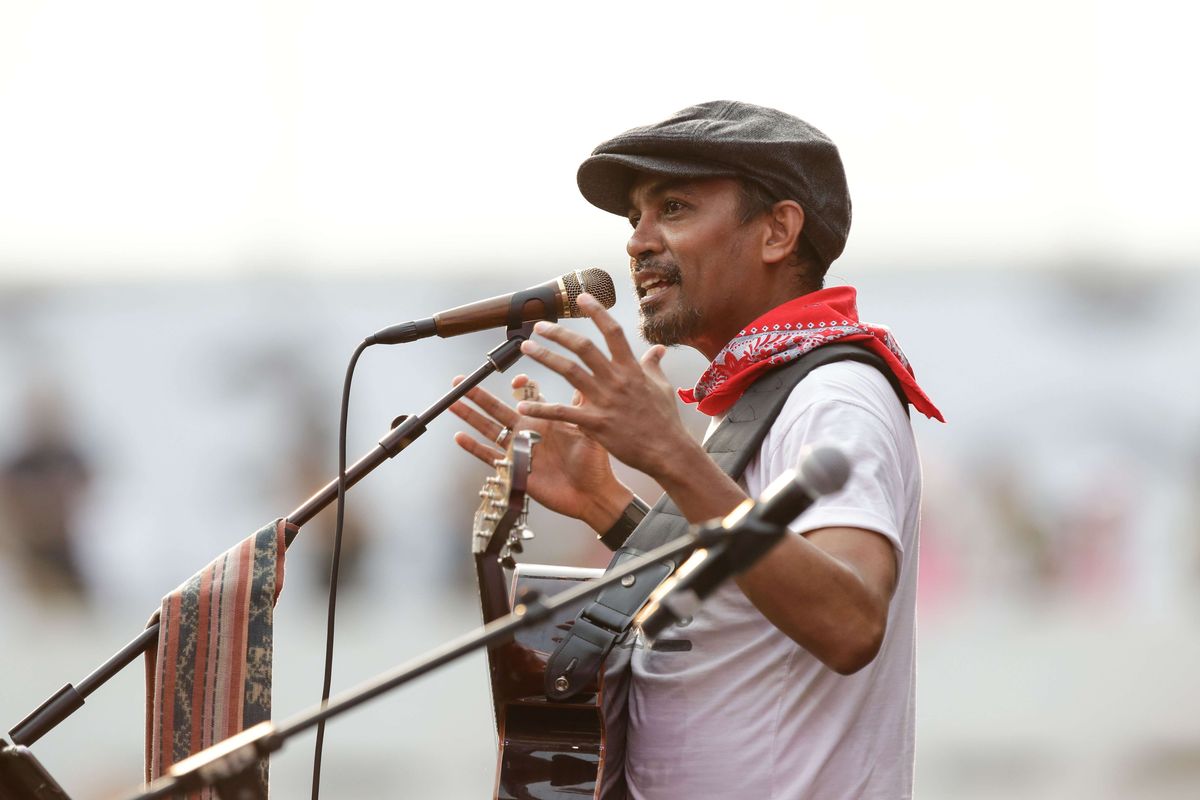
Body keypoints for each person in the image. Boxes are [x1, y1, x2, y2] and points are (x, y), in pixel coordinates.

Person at [451, 100, 943, 799]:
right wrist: (611, 506)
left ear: (777, 232)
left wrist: (672, 457)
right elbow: (744, 604)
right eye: (635, 220)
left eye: (674, 209)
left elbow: (849, 618)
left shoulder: (832, 397)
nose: (637, 242)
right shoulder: (765, 394)